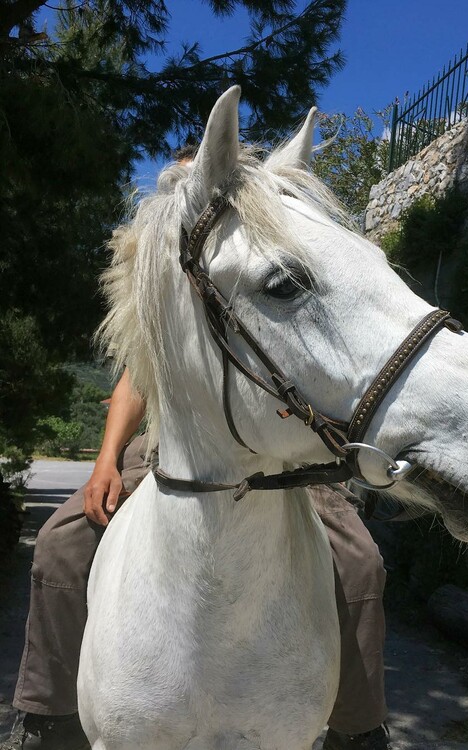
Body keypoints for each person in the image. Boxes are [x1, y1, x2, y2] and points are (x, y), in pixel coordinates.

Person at [2, 147, 390, 750]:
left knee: (359, 560)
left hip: (281, 453)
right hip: (163, 449)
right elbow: (135, 376)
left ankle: (357, 724)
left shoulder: (250, 260)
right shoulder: (163, 288)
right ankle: (47, 714)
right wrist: (107, 461)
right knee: (59, 545)